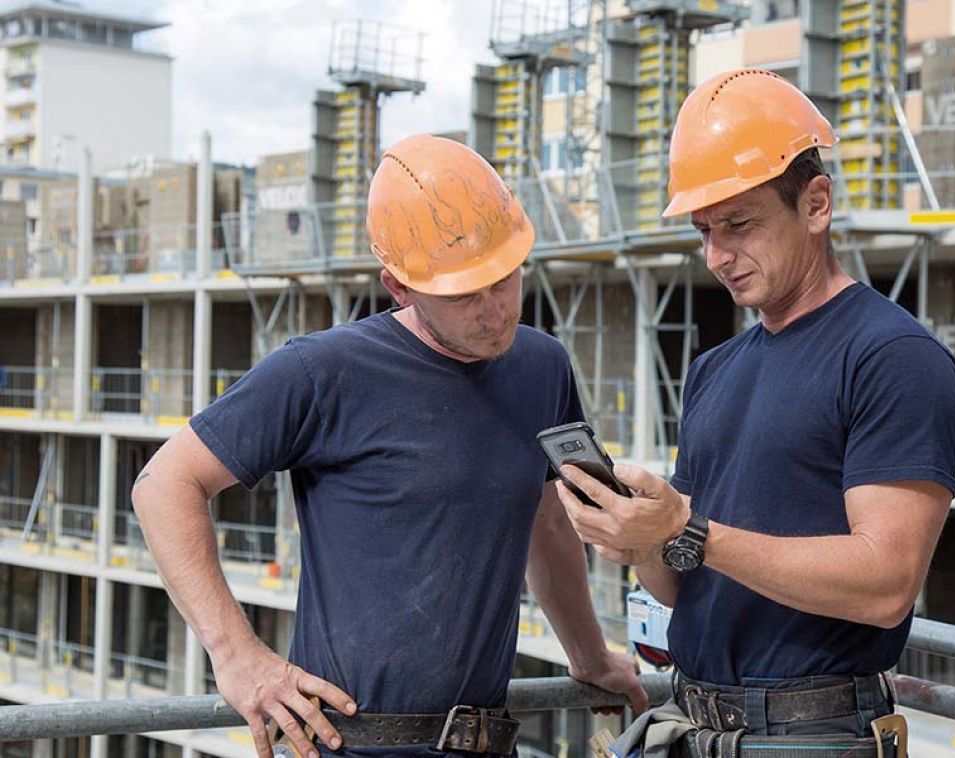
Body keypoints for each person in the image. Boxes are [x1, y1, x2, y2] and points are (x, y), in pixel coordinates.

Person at [132, 134, 647, 758]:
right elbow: (164, 485)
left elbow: (546, 521)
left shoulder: (542, 366)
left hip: (485, 743)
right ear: (398, 287)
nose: (494, 311)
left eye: (505, 280)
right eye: (462, 294)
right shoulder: (322, 371)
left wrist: (588, 654)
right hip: (349, 742)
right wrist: (238, 656)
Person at [557, 69, 955, 748]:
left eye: (740, 225)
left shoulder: (892, 357)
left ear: (815, 205)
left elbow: (886, 583)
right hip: (693, 722)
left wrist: (690, 530)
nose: (718, 255)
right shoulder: (713, 371)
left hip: (811, 734)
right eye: (704, 230)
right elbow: (678, 588)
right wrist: (637, 537)